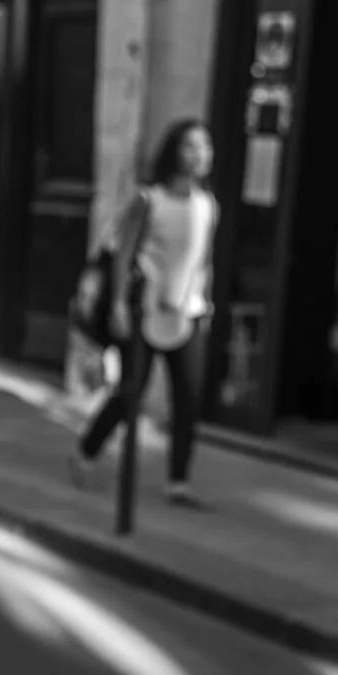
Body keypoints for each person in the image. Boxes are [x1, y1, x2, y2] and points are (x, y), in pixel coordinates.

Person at [71, 117, 220, 508]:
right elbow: (123, 254)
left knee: (188, 398)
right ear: (174, 152)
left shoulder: (207, 205)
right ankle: (87, 449)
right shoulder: (148, 199)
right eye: (191, 146)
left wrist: (204, 300)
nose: (201, 154)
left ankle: (179, 482)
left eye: (205, 146)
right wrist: (119, 303)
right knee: (131, 392)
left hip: (185, 313)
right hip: (143, 309)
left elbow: (203, 259)